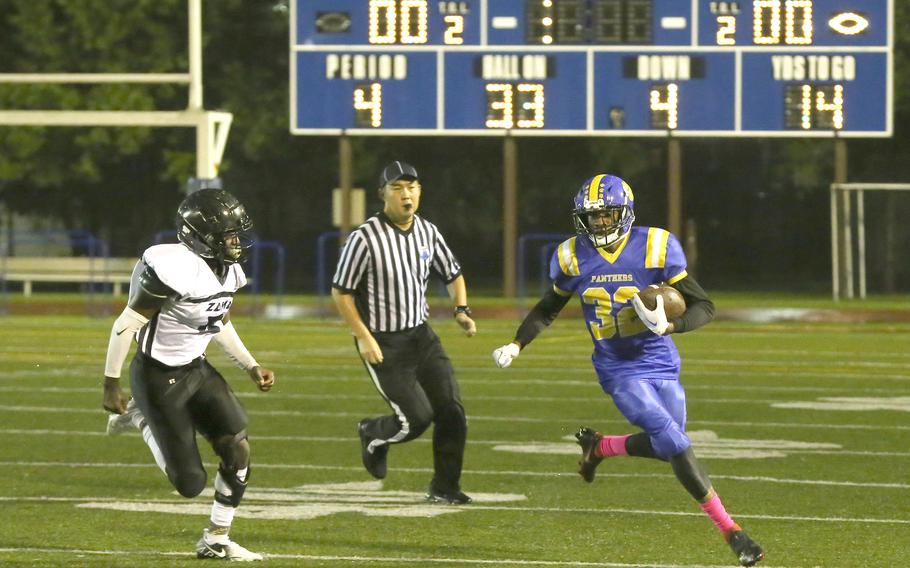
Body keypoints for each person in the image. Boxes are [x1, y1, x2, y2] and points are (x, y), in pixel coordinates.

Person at [492, 174, 764, 567]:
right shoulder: (571, 255)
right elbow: (549, 307)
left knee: (665, 444)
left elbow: (704, 306)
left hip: (661, 360)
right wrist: (517, 343)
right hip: (618, 367)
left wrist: (672, 325)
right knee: (675, 442)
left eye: (607, 215)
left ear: (625, 212)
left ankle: (599, 447)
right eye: (593, 217)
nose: (600, 223)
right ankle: (733, 532)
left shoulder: (656, 246)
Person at [102, 188, 275, 561]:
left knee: (237, 447)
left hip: (196, 369)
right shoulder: (174, 268)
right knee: (190, 483)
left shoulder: (228, 270)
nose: (235, 241)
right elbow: (123, 326)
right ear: (199, 237)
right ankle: (140, 416)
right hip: (156, 376)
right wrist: (111, 383)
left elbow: (218, 320)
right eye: (227, 234)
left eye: (236, 233)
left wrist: (250, 364)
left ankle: (216, 538)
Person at [331, 160, 477, 504]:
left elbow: (452, 273)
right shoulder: (364, 238)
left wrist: (461, 309)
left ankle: (445, 487)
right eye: (397, 188)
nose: (406, 194)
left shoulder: (428, 231)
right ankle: (372, 434)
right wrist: (364, 336)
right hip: (384, 343)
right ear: (382, 194)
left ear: (420, 192)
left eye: (411, 187)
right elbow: (341, 291)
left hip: (422, 337)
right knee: (416, 419)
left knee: (452, 411)